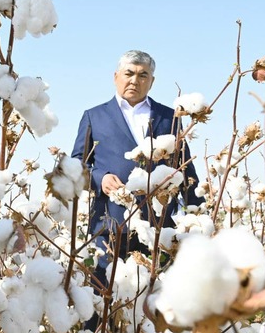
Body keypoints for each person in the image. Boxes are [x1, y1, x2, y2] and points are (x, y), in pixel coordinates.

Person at [71, 50, 203, 273]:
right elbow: (76, 166)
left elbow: (186, 169)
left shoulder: (170, 117)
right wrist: (99, 178)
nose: (135, 80)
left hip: (159, 227)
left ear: (152, 81)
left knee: (155, 299)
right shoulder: (94, 116)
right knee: (105, 297)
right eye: (129, 73)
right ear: (116, 77)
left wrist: (198, 217)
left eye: (143, 75)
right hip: (109, 225)